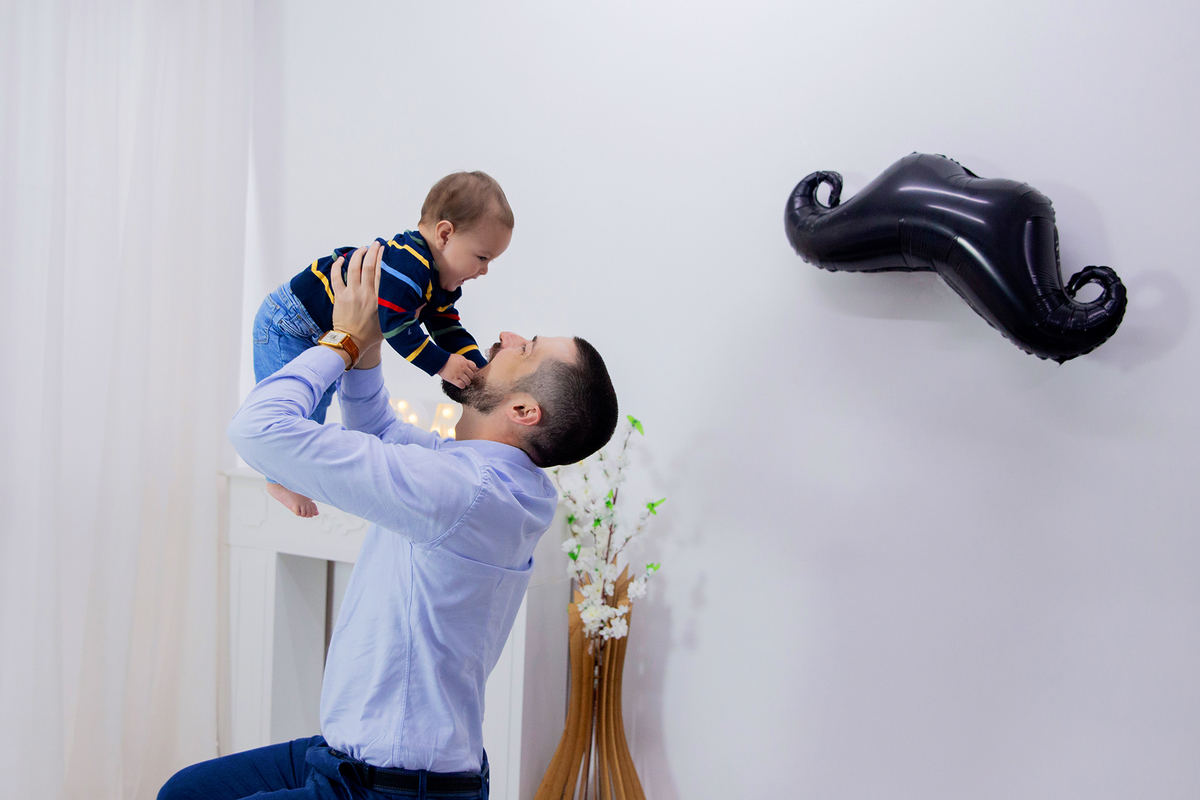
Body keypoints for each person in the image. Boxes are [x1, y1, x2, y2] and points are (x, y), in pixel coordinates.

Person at [159, 243, 618, 800]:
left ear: (524, 411)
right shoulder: (491, 483)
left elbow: (257, 430)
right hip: (348, 761)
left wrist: (344, 341)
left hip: (392, 789)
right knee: (188, 791)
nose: (509, 336)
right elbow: (377, 429)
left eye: (528, 349)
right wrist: (372, 343)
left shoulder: (463, 492)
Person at [255, 171, 513, 518]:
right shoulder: (408, 265)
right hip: (289, 321)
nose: (484, 271)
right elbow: (396, 326)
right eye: (482, 257)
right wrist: (442, 364)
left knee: (318, 399)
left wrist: (475, 364)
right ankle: (276, 478)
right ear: (445, 234)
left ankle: (285, 474)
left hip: (320, 329)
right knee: (294, 407)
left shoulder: (439, 282)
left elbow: (447, 325)